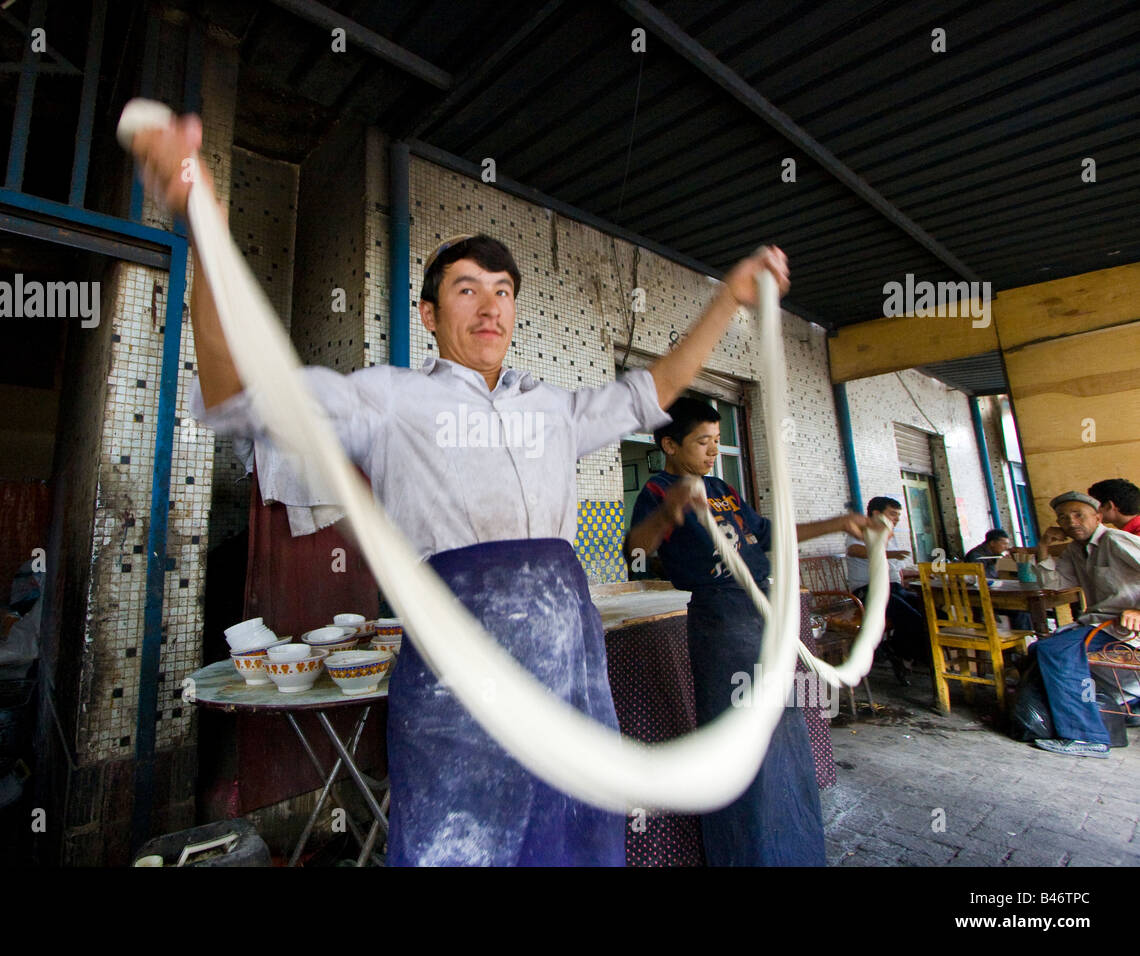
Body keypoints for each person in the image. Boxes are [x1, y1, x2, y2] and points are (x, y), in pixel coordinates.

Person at [127, 110, 791, 865]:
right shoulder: (388, 399)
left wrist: (729, 299)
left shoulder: (555, 407)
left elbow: (655, 390)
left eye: (503, 291)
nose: (490, 306)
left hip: (568, 666)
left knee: (579, 841)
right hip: (453, 677)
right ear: (429, 312)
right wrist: (204, 227)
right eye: (467, 290)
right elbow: (235, 394)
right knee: (461, 843)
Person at [624, 398, 871, 866]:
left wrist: (837, 524)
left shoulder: (721, 488)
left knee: (784, 733)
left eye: (717, 441)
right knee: (741, 740)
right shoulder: (658, 490)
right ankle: (749, 856)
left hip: (763, 613)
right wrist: (669, 513)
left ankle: (798, 854)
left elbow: (768, 532)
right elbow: (636, 551)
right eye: (702, 442)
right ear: (670, 444)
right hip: (722, 623)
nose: (713, 450)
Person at [1028, 491, 1140, 758]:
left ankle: (1085, 736)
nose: (1071, 522)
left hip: (1124, 625)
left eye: (1079, 514)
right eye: (1063, 518)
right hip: (1101, 623)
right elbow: (1052, 585)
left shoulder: (1114, 539)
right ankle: (1117, 707)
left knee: (1054, 652)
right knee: (1040, 650)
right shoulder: (1076, 550)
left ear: (1098, 516)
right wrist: (1043, 547)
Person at [845, 496, 929, 683]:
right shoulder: (859, 530)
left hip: (893, 587)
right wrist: (891, 553)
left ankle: (897, 649)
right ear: (876, 513)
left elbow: (893, 565)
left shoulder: (889, 533)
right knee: (911, 617)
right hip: (867, 591)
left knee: (930, 610)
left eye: (898, 515)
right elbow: (854, 551)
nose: (896, 519)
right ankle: (902, 652)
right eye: (892, 514)